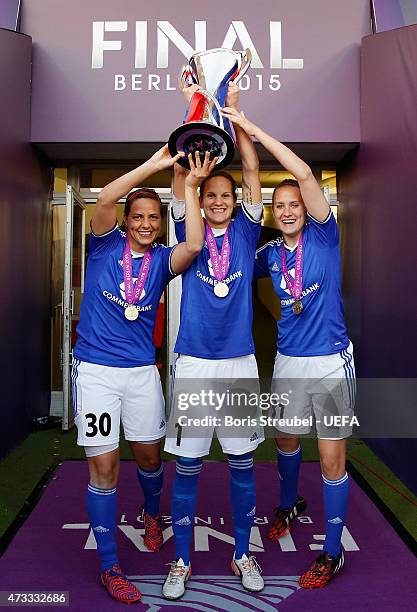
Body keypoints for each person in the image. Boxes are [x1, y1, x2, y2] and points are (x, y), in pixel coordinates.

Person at [72, 145, 217, 604]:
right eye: (138, 216)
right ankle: (111, 565)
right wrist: (154, 166)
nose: (146, 224)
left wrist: (189, 188)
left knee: (151, 458)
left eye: (154, 217)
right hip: (95, 371)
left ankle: (152, 513)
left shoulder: (160, 261)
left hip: (140, 374)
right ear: (128, 219)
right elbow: (102, 202)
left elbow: (194, 245)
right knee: (105, 466)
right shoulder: (105, 244)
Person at [222, 106, 355, 588]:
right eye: (279, 206)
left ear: (307, 206)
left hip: (330, 361)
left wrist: (254, 129)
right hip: (288, 360)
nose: (287, 210)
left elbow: (299, 170)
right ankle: (289, 501)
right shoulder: (271, 253)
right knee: (285, 440)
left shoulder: (324, 233)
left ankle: (334, 552)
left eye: (293, 203)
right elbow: (227, 270)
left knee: (332, 457)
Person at [162, 83, 265, 601]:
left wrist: (239, 120)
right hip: (194, 363)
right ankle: (181, 559)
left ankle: (241, 551)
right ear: (201, 201)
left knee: (243, 464)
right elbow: (180, 170)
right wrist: (194, 111)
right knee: (188, 465)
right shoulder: (190, 230)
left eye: (226, 196)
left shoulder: (247, 232)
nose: (220, 201)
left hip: (240, 363)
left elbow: (250, 173)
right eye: (212, 196)